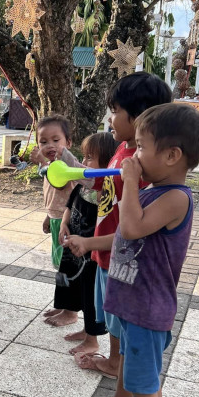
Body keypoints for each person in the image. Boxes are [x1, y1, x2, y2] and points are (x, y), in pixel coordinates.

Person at [92, 103, 199, 397]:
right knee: (132, 371)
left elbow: (132, 226)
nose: (135, 155)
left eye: (141, 147)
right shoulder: (155, 192)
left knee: (145, 390)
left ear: (172, 155)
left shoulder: (176, 198)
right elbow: (127, 233)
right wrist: (86, 240)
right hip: (134, 304)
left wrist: (129, 183)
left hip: (148, 309)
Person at [46, 72, 172, 397]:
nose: (109, 119)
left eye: (115, 110)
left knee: (129, 329)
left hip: (123, 259)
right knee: (114, 319)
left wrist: (90, 242)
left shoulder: (144, 164)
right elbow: (104, 186)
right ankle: (115, 363)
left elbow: (134, 232)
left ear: (141, 115)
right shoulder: (122, 150)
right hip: (107, 255)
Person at [57, 132, 118, 356]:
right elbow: (70, 205)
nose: (83, 163)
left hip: (92, 253)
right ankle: (84, 329)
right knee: (80, 292)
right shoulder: (82, 188)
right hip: (75, 248)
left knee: (93, 300)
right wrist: (64, 223)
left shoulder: (104, 193)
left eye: (89, 158)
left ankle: (92, 340)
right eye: (83, 157)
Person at [29, 115, 78, 327]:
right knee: (59, 266)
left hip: (69, 222)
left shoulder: (64, 166)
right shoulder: (52, 164)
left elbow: (58, 185)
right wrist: (48, 216)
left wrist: (42, 163)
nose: (50, 145)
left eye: (56, 140)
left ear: (68, 142)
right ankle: (62, 304)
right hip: (57, 219)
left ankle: (71, 311)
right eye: (43, 141)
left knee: (67, 267)